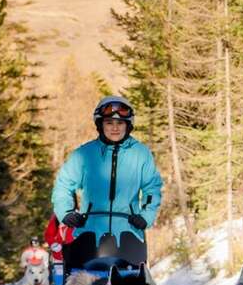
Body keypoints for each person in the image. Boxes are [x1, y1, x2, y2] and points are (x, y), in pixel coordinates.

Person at [51, 95, 163, 254]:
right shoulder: (84, 154)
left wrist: (146, 216)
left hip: (129, 234)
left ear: (128, 125)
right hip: (88, 234)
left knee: (134, 278)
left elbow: (152, 188)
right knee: (79, 278)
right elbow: (63, 185)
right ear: (100, 125)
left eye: (120, 123)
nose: (115, 128)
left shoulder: (141, 154)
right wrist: (66, 213)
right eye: (109, 123)